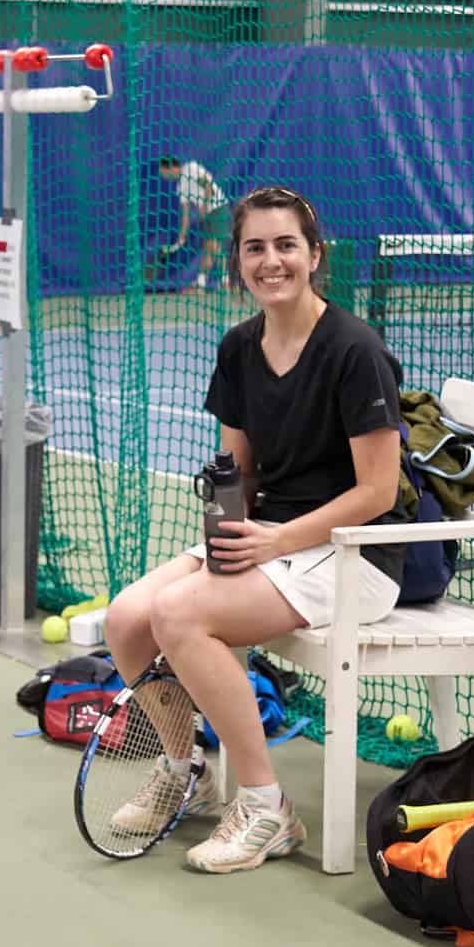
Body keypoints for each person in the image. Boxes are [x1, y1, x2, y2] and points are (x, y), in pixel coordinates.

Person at [102, 186, 411, 873]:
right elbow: (237, 469)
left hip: (355, 552)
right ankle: (185, 772)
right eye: (255, 248)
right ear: (238, 261)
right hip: (271, 535)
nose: (272, 261)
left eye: (286, 245)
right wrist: (225, 525)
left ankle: (267, 807)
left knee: (179, 615)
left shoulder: (354, 350)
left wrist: (275, 541)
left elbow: (378, 492)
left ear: (315, 255)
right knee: (126, 618)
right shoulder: (240, 347)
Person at [157, 155, 230, 293]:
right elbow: (185, 214)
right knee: (212, 247)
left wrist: (204, 205)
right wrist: (182, 235)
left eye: (164, 173)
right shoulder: (180, 187)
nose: (164, 177)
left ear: (170, 167)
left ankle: (217, 283)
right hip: (208, 214)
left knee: (213, 245)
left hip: (218, 208)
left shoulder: (191, 168)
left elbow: (208, 186)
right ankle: (209, 283)